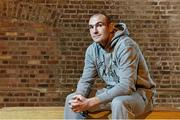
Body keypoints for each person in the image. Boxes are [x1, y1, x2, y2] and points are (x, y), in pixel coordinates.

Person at [64, 13, 156, 119]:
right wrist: (79, 96)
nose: (95, 31)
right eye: (91, 27)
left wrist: (90, 102)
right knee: (71, 99)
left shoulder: (126, 46)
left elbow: (126, 87)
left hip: (140, 96)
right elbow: (86, 80)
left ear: (111, 27)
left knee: (119, 103)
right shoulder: (92, 50)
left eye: (99, 25)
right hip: (113, 93)